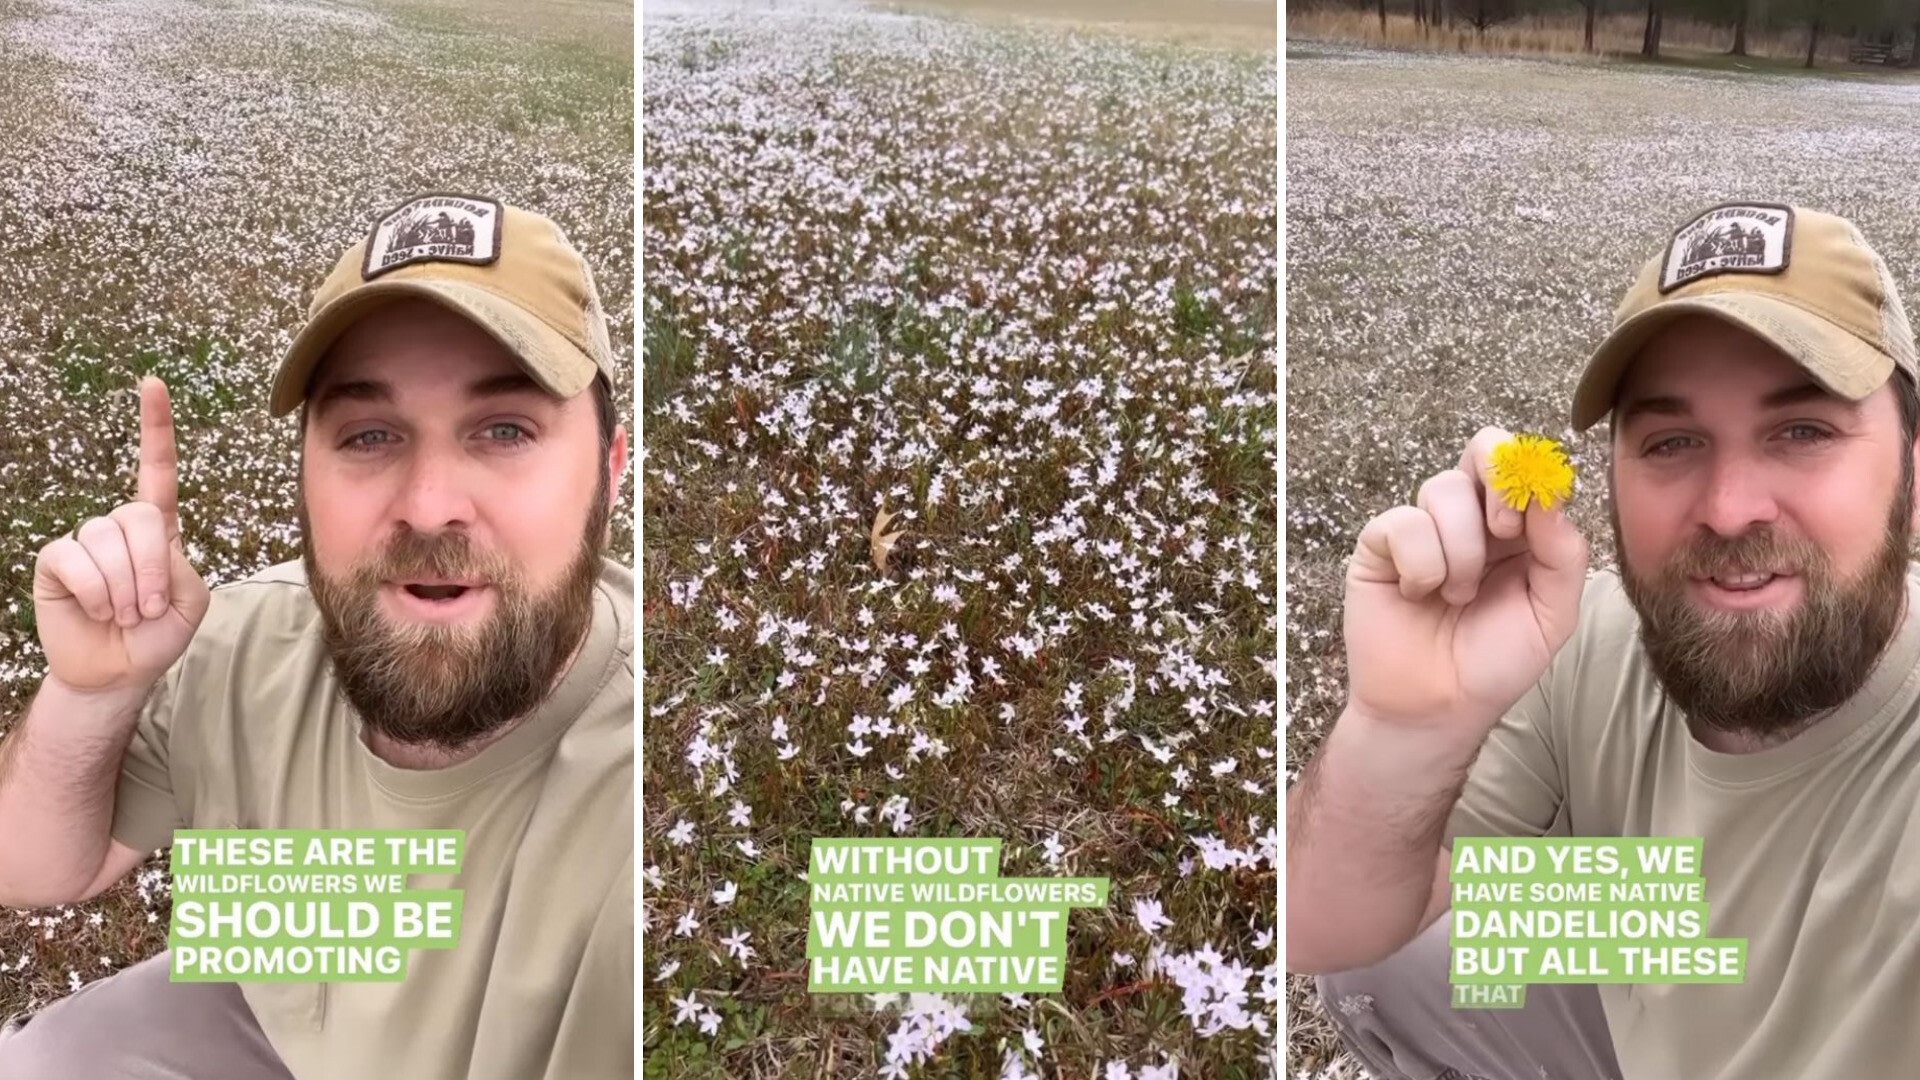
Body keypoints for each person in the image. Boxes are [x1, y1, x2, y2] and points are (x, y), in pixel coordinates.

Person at [0, 193, 633, 1080]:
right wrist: (91, 693)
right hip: (314, 965)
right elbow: (29, 869)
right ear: (304, 472)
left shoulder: (639, 789)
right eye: (369, 435)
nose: (427, 504)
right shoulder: (240, 640)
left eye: (504, 430)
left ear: (610, 469)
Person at [1286, 202, 1920, 1080]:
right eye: (1673, 441)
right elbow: (1323, 926)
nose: (1731, 506)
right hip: (1669, 914)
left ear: (1913, 477)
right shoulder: (1590, 640)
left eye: (1803, 431)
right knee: (1387, 954)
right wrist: (1400, 730)